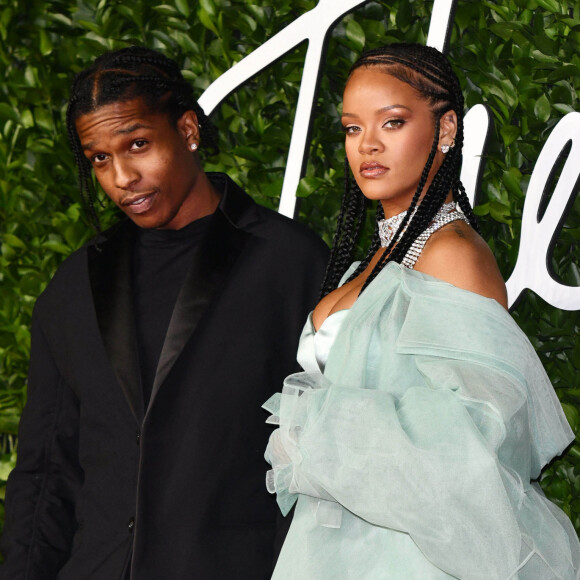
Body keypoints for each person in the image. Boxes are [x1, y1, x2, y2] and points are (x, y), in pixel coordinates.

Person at [0, 46, 328, 579]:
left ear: (188, 130)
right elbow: (44, 473)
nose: (122, 176)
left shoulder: (289, 262)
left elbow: (324, 459)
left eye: (137, 144)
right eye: (99, 158)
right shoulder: (75, 286)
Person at [264, 43, 580, 579]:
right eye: (351, 128)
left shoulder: (451, 254)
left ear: (447, 129)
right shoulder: (368, 264)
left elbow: (474, 442)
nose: (367, 146)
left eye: (391, 123)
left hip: (416, 561)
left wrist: (315, 426)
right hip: (334, 552)